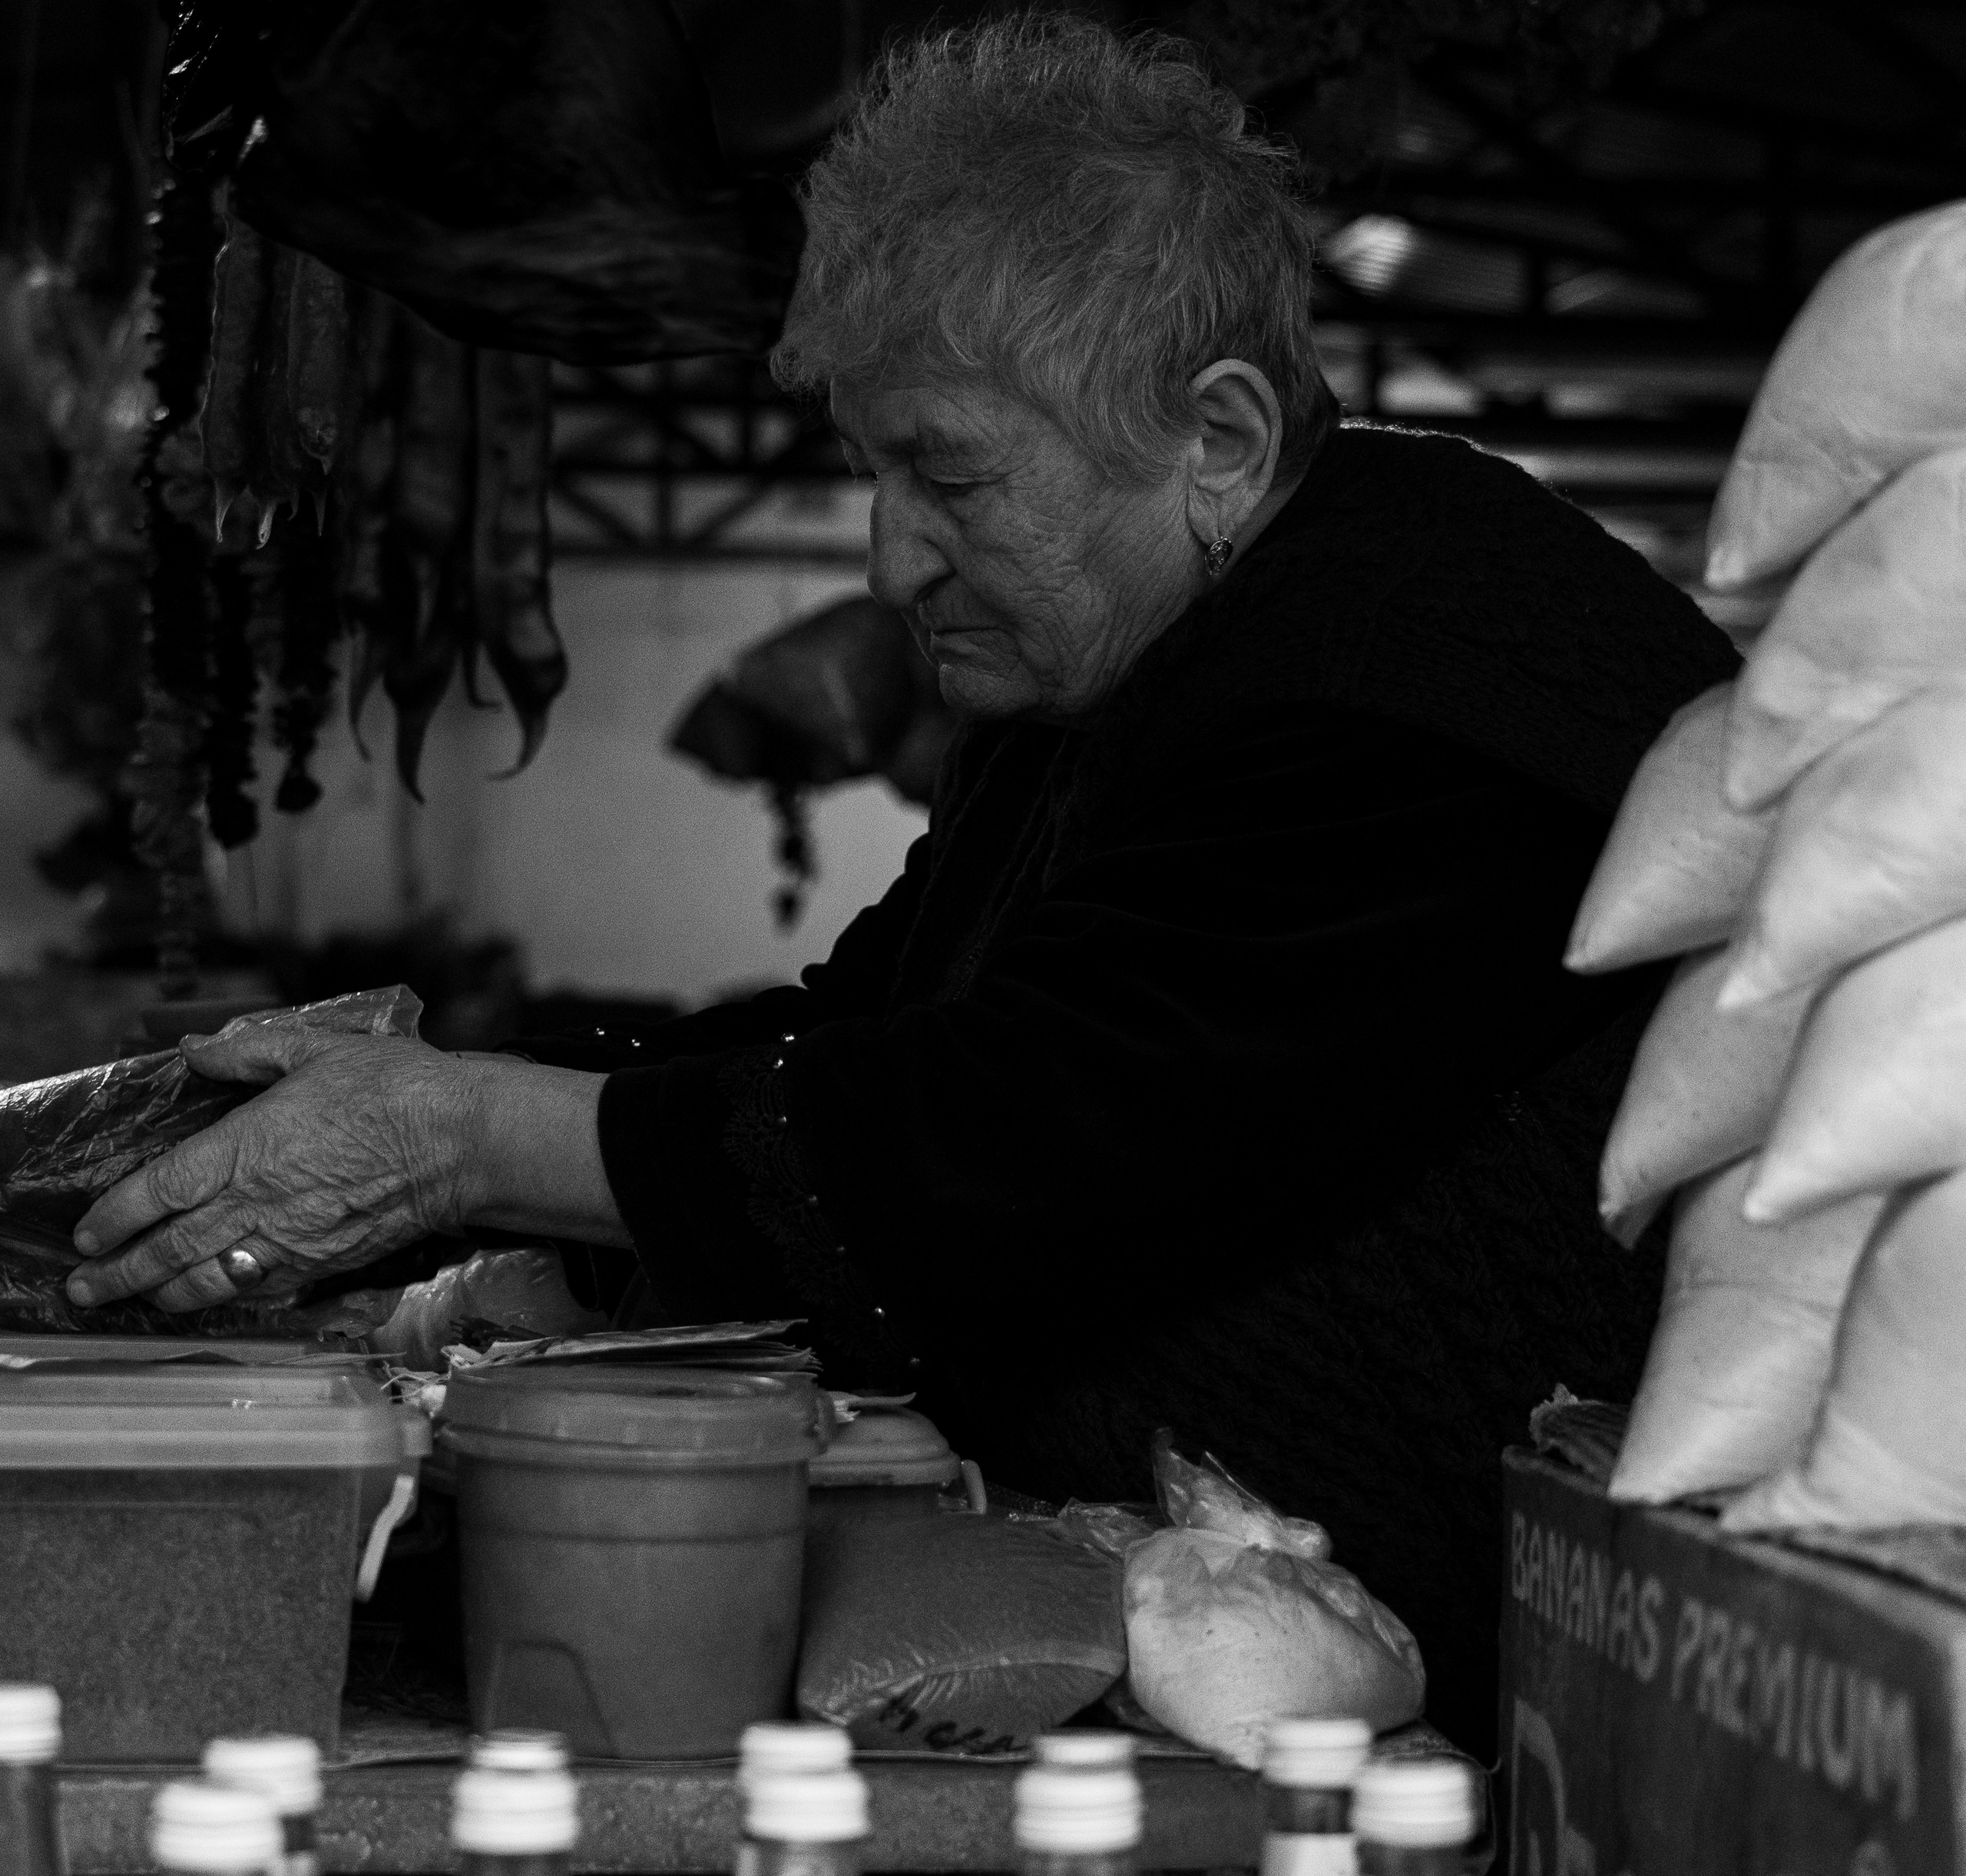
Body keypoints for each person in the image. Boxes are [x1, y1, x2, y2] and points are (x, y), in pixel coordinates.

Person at [64, 18, 1734, 1752]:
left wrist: (472, 1137)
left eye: (944, 472)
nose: (888, 555)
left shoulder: (1415, 668)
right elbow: (863, 1033)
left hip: (1554, 1717)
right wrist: (482, 1166)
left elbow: (1025, 1136)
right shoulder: (1110, 684)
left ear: (1217, 440)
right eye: (871, 472)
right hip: (1248, 1684)